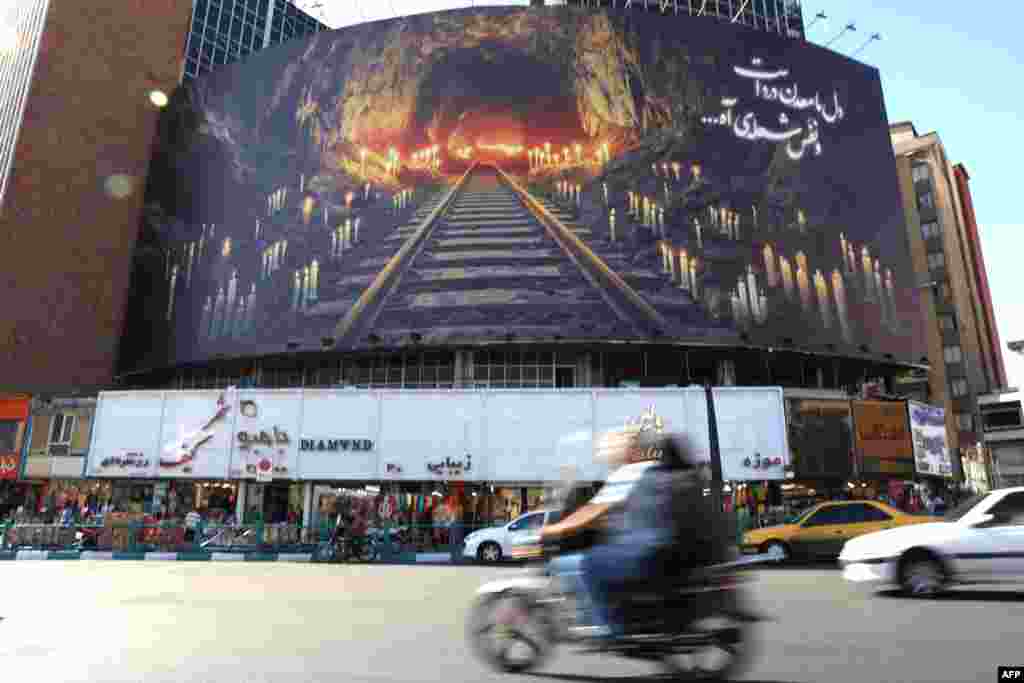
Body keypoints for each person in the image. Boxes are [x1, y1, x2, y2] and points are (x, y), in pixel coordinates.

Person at [541, 429, 729, 641]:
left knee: (589, 563)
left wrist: (555, 528)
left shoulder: (631, 472)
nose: (608, 455)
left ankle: (607, 627)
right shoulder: (661, 473)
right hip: (667, 551)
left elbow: (593, 511)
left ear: (630, 450)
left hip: (645, 552)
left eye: (614, 448)